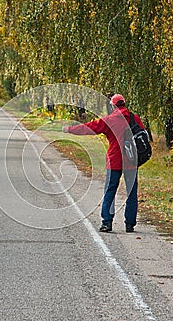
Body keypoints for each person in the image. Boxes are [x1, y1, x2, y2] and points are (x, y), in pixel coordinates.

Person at [62, 94, 146, 233]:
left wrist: (69, 129)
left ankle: (107, 222)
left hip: (114, 161)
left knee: (110, 191)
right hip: (131, 161)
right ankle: (130, 224)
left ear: (113, 106)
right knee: (131, 192)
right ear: (124, 104)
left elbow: (89, 128)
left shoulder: (109, 120)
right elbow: (143, 134)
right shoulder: (134, 118)